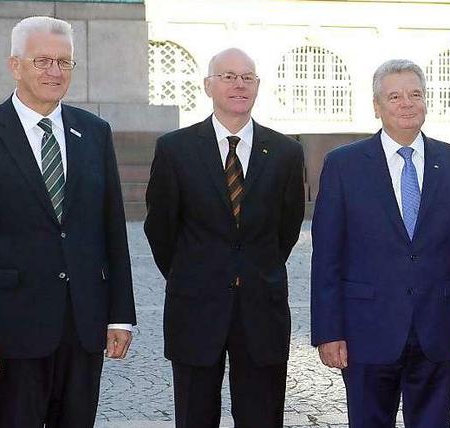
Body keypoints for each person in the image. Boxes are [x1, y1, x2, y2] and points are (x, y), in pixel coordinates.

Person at [0, 16, 136, 427]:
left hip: (84, 322)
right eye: (42, 61)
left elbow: (113, 231)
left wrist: (120, 315)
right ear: (15, 66)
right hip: (15, 324)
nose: (55, 72)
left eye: (64, 63)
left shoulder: (95, 133)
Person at [310, 59, 450, 427]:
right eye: (394, 96)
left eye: (415, 94)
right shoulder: (343, 165)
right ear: (377, 107)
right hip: (366, 329)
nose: (406, 103)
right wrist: (329, 332)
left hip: (437, 326)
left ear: (426, 102)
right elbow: (327, 256)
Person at [143, 47, 305, 427]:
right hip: (195, 308)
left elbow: (287, 228)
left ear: (258, 87)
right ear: (208, 85)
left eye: (247, 77)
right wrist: (195, 273)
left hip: (262, 309)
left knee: (262, 417)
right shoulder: (175, 149)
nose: (239, 84)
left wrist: (251, 269)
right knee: (195, 416)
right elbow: (161, 228)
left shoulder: (286, 152)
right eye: (229, 76)